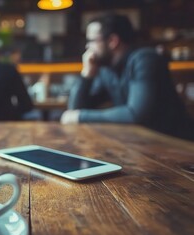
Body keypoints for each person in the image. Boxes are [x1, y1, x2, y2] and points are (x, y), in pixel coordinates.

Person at [60, 13, 194, 141]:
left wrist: (81, 116)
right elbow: (76, 108)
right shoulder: (107, 70)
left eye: (91, 40)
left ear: (113, 41)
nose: (87, 46)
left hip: (178, 145)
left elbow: (137, 114)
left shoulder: (145, 59)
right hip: (144, 144)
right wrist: (86, 75)